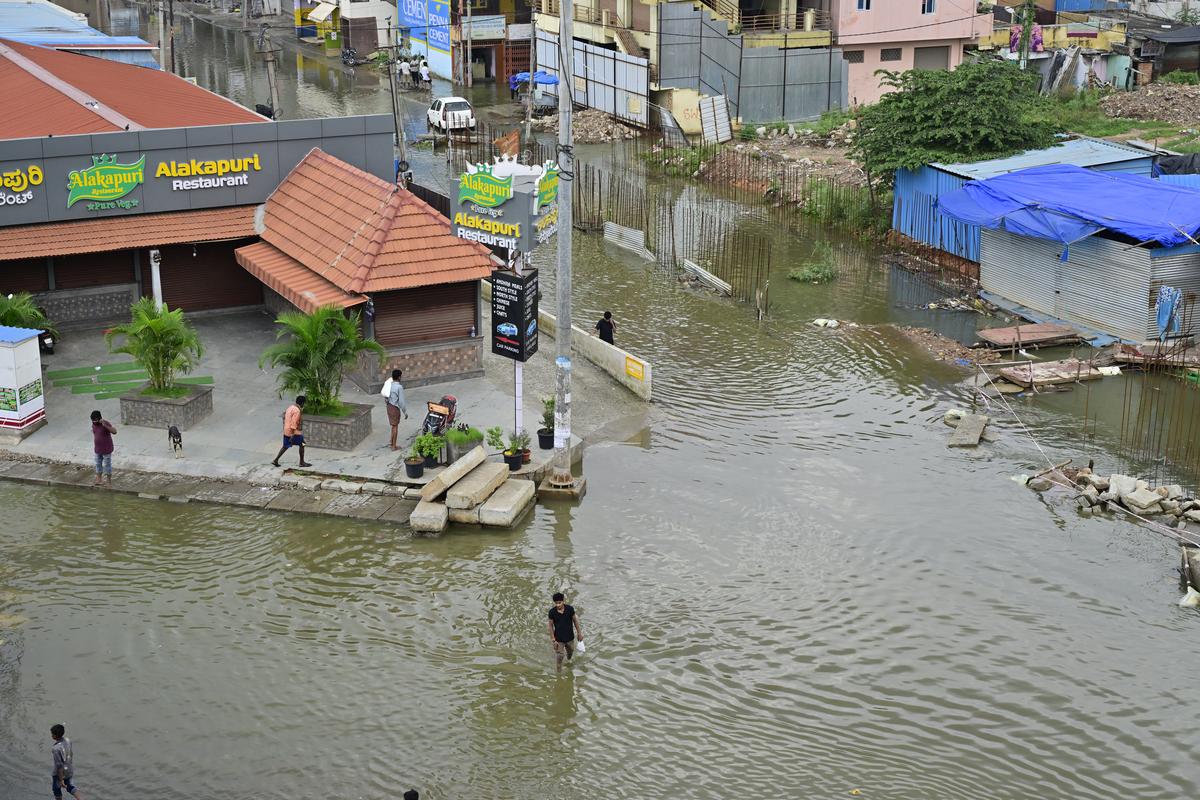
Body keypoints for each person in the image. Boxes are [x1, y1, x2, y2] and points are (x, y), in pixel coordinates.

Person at [271, 395, 312, 468]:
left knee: (285, 446)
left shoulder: (290, 407)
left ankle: (276, 460)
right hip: (294, 433)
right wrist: (292, 436)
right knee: (303, 444)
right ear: (302, 403)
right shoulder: (297, 411)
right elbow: (293, 423)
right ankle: (302, 462)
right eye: (304, 403)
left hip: (286, 431)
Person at [548, 591, 582, 670]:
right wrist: (553, 640)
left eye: (559, 603)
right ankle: (558, 674)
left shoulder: (570, 609)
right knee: (560, 656)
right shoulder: (552, 612)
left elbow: (575, 621)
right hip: (559, 639)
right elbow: (550, 626)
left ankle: (568, 662)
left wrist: (579, 633)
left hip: (570, 637)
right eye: (556, 603)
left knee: (570, 652)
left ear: (563, 601)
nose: (558, 605)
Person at [50, 723, 80, 800]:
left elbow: (59, 766)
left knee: (56, 789)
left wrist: (61, 779)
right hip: (69, 769)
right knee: (71, 786)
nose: (51, 735)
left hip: (59, 773)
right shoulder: (68, 740)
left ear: (55, 736)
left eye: (52, 734)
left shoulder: (56, 749)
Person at [90, 410, 115, 487]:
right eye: (93, 420)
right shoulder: (94, 424)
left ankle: (109, 482)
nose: (94, 422)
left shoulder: (105, 423)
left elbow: (114, 431)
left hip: (106, 449)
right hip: (98, 449)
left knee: (107, 465)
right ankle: (99, 479)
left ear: (100, 418)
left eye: (95, 420)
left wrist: (105, 426)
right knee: (98, 464)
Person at [385, 368, 408, 451]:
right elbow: (401, 402)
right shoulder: (399, 387)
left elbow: (385, 396)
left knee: (393, 425)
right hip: (395, 408)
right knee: (395, 427)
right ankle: (394, 446)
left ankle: (391, 442)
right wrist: (405, 412)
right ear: (399, 377)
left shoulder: (389, 385)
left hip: (389, 406)